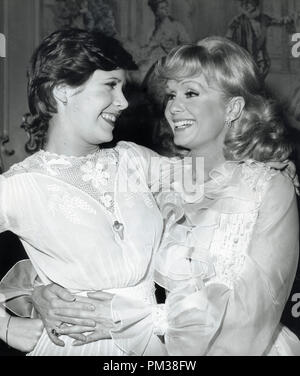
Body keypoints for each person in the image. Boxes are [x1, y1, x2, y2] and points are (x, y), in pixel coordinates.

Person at [15, 37, 300, 356]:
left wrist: (138, 319)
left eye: (191, 93)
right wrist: (41, 291)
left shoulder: (269, 188)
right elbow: (90, 249)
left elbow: (252, 318)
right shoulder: (153, 176)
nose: (174, 107)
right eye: (172, 95)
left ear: (232, 108)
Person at [0, 27, 189, 356]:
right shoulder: (19, 186)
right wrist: (6, 326)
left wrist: (269, 166)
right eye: (110, 86)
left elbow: (214, 181)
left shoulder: (134, 160)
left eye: (124, 88)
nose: (124, 102)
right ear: (63, 91)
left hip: (155, 347)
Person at [226, 0, 295, 79]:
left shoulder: (264, 18)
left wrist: (288, 20)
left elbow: (279, 21)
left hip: (261, 58)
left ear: (255, 4)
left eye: (249, 2)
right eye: (243, 3)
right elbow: (228, 37)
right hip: (244, 57)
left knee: (259, 76)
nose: (246, 5)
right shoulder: (237, 20)